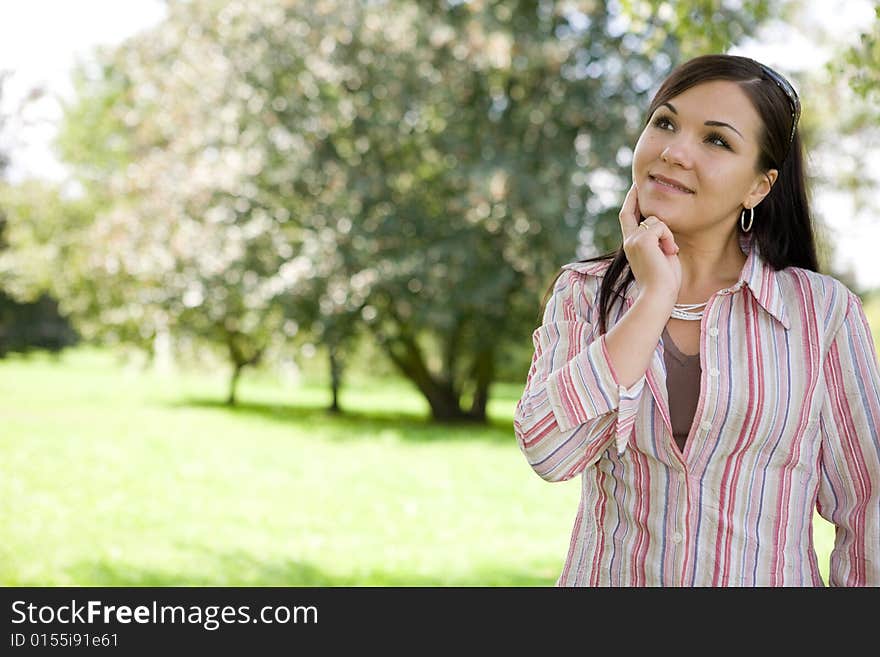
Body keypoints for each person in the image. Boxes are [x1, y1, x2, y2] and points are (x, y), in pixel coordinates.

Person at [513, 54, 880, 587]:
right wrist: (653, 297)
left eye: (716, 140)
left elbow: (867, 509)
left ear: (759, 186)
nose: (674, 151)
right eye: (665, 122)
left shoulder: (824, 315)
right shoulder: (584, 292)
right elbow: (549, 451)